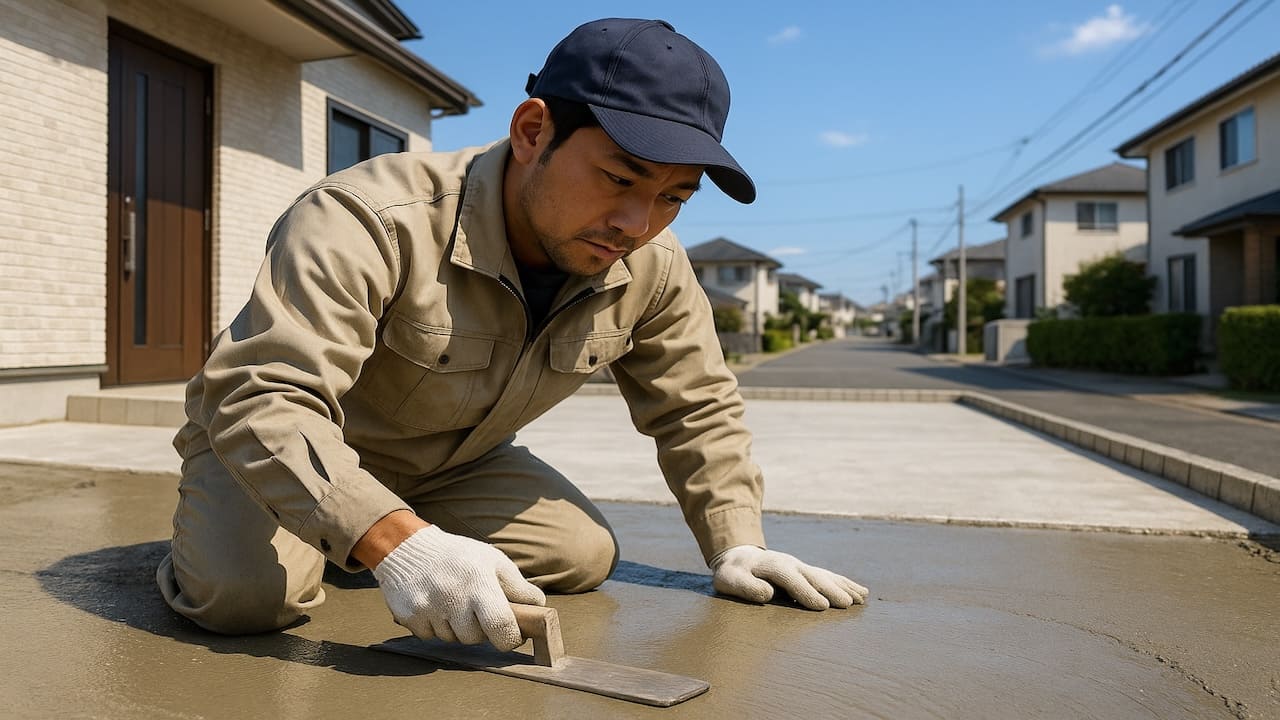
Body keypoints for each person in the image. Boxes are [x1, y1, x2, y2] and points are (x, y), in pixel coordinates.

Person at [157, 17, 867, 651]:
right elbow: (264, 396)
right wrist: (400, 545)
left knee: (581, 553)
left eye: (673, 197)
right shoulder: (368, 217)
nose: (637, 223)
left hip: (450, 466)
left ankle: (374, 533)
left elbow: (698, 406)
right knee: (243, 599)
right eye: (620, 178)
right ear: (533, 132)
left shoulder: (653, 263)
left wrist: (737, 543)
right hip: (282, 440)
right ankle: (243, 537)